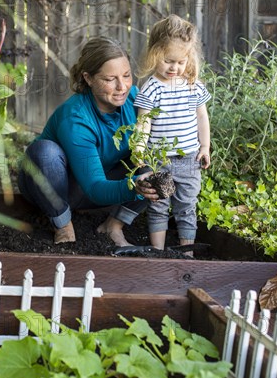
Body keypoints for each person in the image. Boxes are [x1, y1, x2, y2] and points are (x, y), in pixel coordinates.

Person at [17, 37, 158, 245]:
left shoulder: (136, 100)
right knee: (44, 152)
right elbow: (94, 187)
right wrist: (132, 187)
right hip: (58, 187)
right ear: (89, 78)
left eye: (126, 76)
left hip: (102, 184)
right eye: (110, 79)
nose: (122, 86)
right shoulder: (76, 117)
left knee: (161, 160)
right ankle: (63, 224)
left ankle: (114, 225)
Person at [133, 14, 211, 252]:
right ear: (155, 54)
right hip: (158, 159)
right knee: (157, 205)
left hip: (189, 159)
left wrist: (205, 147)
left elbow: (201, 117)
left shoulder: (193, 86)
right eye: (168, 61)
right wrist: (139, 150)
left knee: (186, 206)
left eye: (180, 62)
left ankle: (186, 252)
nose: (174, 68)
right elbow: (143, 122)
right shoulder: (152, 88)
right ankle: (158, 252)